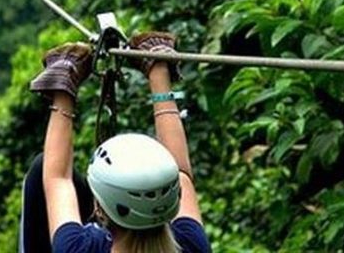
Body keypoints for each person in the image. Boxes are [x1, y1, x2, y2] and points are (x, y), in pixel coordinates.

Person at [19, 32, 212, 253]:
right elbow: (182, 173)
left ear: (98, 209)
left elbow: (57, 178)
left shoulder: (79, 248)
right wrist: (158, 72)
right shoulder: (189, 246)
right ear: (173, 199)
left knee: (39, 170)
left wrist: (64, 82)